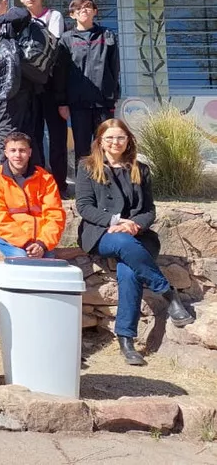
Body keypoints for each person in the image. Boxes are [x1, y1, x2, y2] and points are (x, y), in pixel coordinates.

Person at [75, 119, 194, 365]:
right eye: (109, 138)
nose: (115, 142)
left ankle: (126, 340)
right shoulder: (87, 167)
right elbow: (84, 207)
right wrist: (116, 221)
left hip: (138, 234)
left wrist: (134, 225)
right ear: (100, 142)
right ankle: (168, 294)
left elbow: (149, 210)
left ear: (128, 140)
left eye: (120, 137)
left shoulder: (141, 169)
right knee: (122, 243)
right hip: (101, 233)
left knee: (129, 272)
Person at [18, 0, 68, 191]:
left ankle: (59, 184)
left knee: (57, 135)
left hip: (52, 84)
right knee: (33, 135)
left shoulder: (53, 16)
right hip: (28, 86)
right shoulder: (18, 19)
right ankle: (37, 183)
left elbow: (53, 46)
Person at [0, 132, 66, 259]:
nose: (17, 155)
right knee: (23, 260)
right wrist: (26, 243)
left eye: (22, 150)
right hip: (8, 239)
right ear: (6, 153)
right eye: (13, 150)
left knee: (49, 265)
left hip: (40, 241)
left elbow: (55, 214)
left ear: (30, 152)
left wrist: (42, 243)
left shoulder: (45, 178)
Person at [60, 0, 120, 163]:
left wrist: (113, 95)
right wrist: (63, 101)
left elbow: (115, 67)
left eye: (87, 7)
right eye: (78, 8)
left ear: (95, 11)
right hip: (79, 103)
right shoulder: (66, 39)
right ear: (72, 15)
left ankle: (105, 185)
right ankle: (84, 188)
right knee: (83, 150)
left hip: (103, 102)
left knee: (105, 146)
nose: (83, 10)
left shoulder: (107, 35)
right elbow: (62, 73)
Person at [0, 0, 36, 167]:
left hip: (14, 89)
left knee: (4, 135)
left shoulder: (13, 17)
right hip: (9, 88)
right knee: (19, 136)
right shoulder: (2, 28)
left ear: (4, 2)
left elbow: (24, 14)